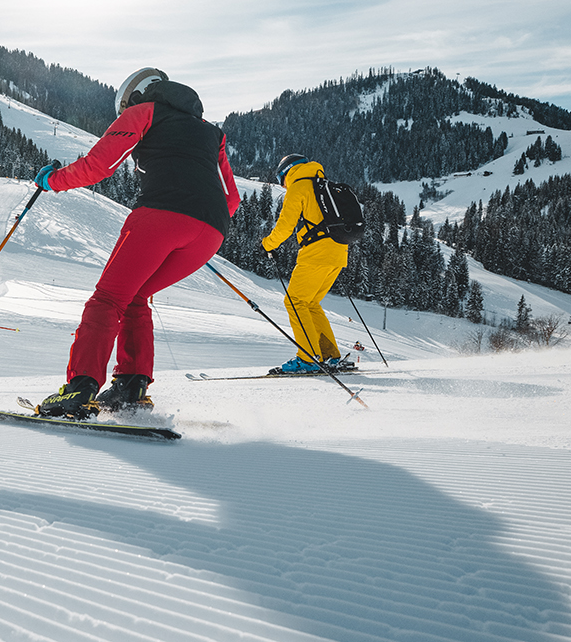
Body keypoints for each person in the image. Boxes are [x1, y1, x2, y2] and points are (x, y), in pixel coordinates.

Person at [32, 68, 241, 417]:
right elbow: (231, 199)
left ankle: (79, 391)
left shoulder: (143, 112)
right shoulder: (211, 133)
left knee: (107, 300)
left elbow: (100, 165)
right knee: (135, 297)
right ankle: (131, 386)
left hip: (160, 216)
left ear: (136, 95)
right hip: (211, 231)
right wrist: (195, 219)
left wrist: (52, 181)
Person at [260, 153, 350, 374]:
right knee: (310, 304)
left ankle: (308, 358)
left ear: (286, 173)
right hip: (339, 251)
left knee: (294, 302)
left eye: (281, 180)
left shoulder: (299, 186)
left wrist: (267, 244)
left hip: (316, 253)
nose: (283, 184)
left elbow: (284, 226)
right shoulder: (323, 184)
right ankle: (330, 356)